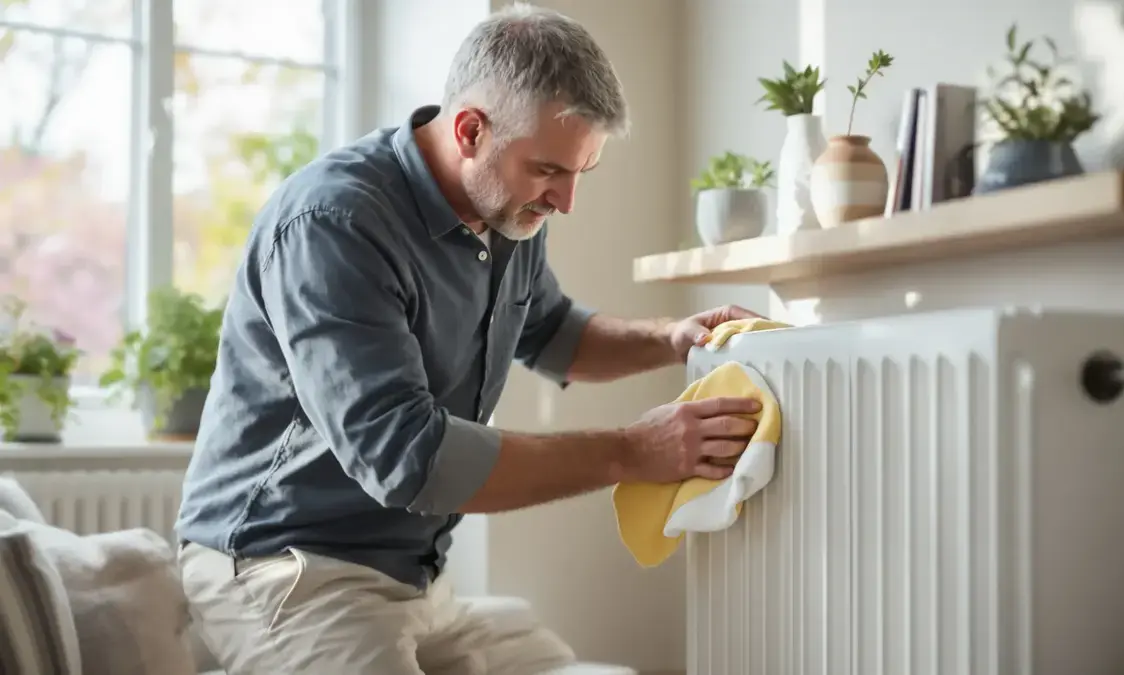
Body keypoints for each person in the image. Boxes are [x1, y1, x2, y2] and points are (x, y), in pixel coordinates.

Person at [175, 3, 763, 674]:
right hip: (285, 566)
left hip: (414, 579)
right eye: (549, 170)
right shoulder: (334, 222)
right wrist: (632, 451)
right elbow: (407, 456)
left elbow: (553, 331)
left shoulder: (507, 213)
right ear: (470, 130)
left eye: (582, 172)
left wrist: (672, 337)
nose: (565, 201)